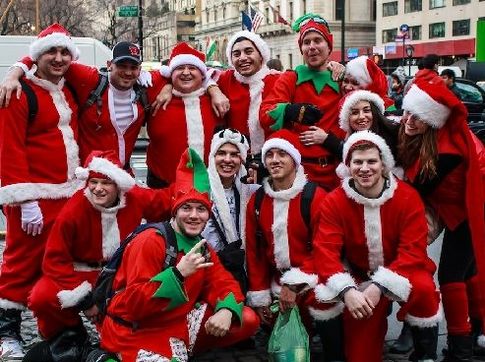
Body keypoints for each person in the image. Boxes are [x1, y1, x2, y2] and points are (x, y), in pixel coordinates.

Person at [98, 148, 259, 362]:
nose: (194, 216)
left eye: (201, 210)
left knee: (246, 319)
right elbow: (133, 305)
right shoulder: (151, 241)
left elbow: (224, 283)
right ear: (175, 211)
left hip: (174, 324)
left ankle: (180, 350)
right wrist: (178, 274)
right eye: (187, 208)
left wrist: (227, 310)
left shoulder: (202, 247)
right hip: (135, 333)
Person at [21, 150, 173, 362]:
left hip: (118, 275)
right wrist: (85, 300)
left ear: (118, 185)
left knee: (132, 317)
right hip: (80, 274)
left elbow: (166, 201)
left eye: (106, 183)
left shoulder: (134, 197)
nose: (98, 189)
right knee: (42, 296)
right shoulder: (74, 208)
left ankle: (121, 339)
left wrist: (195, 175)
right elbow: (54, 260)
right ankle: (69, 335)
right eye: (93, 182)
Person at [314, 130, 441, 362]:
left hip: (403, 271)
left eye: (371, 161)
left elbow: (413, 250)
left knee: (424, 289)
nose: (365, 168)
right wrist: (347, 290)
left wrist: (380, 285)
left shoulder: (407, 196)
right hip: (358, 275)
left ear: (384, 165)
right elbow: (325, 252)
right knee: (360, 356)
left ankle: (425, 355)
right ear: (348, 166)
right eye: (358, 162)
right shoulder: (334, 201)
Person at [0, 23, 82, 359]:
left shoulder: (68, 86)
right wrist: (26, 200)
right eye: (52, 51)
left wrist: (16, 65)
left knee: (59, 263)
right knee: (20, 264)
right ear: (38, 56)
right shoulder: (19, 93)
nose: (59, 58)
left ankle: (58, 327)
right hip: (31, 198)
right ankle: (7, 332)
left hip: (66, 195)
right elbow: (9, 149)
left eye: (65, 52)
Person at [399, 78, 485, 361]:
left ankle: (461, 347)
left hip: (472, 212)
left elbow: (416, 187)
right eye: (408, 112)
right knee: (469, 273)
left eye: (418, 117)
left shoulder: (446, 151)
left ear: (432, 118)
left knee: (451, 276)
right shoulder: (439, 136)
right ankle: (476, 334)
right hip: (461, 209)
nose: (409, 121)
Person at [245, 129, 345, 361]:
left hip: (312, 279)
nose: (275, 160)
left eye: (282, 154)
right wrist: (260, 295)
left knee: (325, 298)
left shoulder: (316, 197)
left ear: (294, 159)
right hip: (276, 282)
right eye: (270, 155)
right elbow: (255, 253)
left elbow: (325, 249)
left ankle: (334, 354)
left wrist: (296, 284)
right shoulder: (257, 201)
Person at [260, 13, 346, 191]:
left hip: (338, 172)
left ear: (329, 46)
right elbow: (265, 114)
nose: (312, 47)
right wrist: (290, 110)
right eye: (306, 42)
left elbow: (373, 99)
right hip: (299, 175)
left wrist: (347, 71)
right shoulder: (291, 78)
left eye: (317, 40)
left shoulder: (342, 78)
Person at [145, 42, 222, 188]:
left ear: (202, 74)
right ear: (170, 73)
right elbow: (134, 75)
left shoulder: (218, 98)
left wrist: (214, 88)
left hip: (208, 185)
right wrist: (167, 85)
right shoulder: (154, 93)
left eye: (192, 68)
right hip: (162, 183)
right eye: (180, 68)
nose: (186, 72)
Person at [202, 128, 260, 293]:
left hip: (242, 273)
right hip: (206, 273)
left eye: (234, 154)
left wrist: (266, 174)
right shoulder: (197, 189)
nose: (227, 159)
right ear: (213, 156)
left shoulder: (252, 192)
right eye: (221, 153)